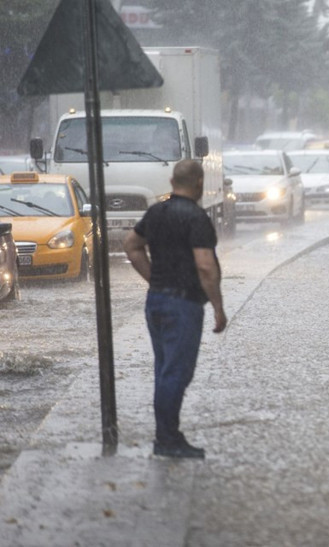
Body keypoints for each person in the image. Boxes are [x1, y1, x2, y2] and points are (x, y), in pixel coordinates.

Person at [124, 159, 227, 459]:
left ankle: (167, 435)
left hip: (156, 301)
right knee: (177, 373)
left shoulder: (156, 212)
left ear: (172, 182)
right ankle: (167, 439)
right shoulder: (196, 218)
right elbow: (205, 266)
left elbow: (131, 246)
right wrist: (218, 307)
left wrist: (154, 279)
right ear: (199, 183)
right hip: (183, 305)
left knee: (164, 370)